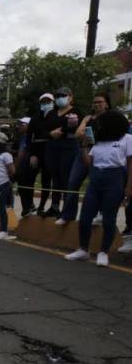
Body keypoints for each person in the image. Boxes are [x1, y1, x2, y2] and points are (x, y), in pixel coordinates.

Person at [65, 111, 132, 266]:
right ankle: (83, 249)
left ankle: (103, 252)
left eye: (102, 123)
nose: (98, 126)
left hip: (114, 179)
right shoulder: (99, 141)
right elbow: (90, 162)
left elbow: (130, 164)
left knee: (109, 218)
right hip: (95, 179)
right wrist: (84, 147)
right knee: (85, 217)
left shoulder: (127, 139)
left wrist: (129, 186)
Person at [58, 92, 112, 225]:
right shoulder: (88, 118)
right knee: (72, 183)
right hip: (83, 152)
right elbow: (78, 133)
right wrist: (92, 136)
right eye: (95, 102)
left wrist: (89, 135)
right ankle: (68, 215)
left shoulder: (111, 117)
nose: (97, 104)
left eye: (100, 102)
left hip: (102, 155)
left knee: (97, 185)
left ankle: (99, 214)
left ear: (106, 104)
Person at [44, 86, 82, 219]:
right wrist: (51, 133)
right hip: (52, 147)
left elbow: (76, 128)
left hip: (69, 147)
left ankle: (68, 211)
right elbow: (44, 128)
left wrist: (62, 131)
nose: (60, 98)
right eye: (58, 96)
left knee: (67, 179)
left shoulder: (76, 111)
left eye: (63, 95)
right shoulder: (51, 113)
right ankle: (54, 207)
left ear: (71, 97)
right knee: (55, 179)